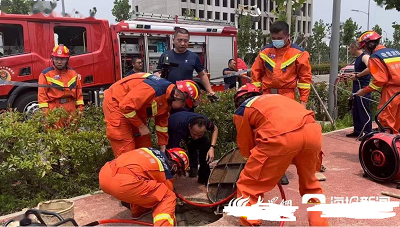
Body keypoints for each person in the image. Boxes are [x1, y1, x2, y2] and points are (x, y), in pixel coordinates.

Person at [232, 83, 329, 226]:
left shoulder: (243, 109)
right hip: (312, 132)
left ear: (238, 100)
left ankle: (249, 223)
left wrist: (257, 165)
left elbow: (246, 146)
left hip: (280, 137)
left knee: (248, 185)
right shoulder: (276, 98)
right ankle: (320, 224)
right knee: (311, 185)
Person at [102, 72, 200, 157]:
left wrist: (163, 148)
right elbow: (125, 106)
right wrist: (140, 126)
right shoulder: (153, 88)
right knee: (126, 150)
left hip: (134, 108)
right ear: (178, 95)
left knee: (145, 148)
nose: (182, 107)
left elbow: (162, 124)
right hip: (117, 102)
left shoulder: (167, 97)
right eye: (183, 104)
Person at [99, 147, 189, 226]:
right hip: (123, 184)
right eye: (178, 173)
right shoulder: (165, 169)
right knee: (167, 196)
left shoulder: (150, 150)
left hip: (105, 174)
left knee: (145, 182)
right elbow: (166, 192)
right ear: (175, 167)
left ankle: (138, 212)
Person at [251, 21, 312, 108]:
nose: (276, 41)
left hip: (287, 97)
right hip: (266, 96)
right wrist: (255, 95)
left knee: (286, 121)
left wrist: (303, 102)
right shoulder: (265, 52)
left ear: (287, 36)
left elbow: (305, 80)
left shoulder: (299, 54)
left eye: (279, 38)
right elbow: (255, 74)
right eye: (273, 38)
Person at [155, 28, 217, 109]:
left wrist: (210, 91)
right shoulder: (165, 55)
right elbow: (157, 74)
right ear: (173, 40)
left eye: (186, 41)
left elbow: (202, 75)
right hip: (168, 98)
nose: (183, 43)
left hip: (186, 99)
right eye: (179, 40)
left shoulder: (193, 57)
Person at [355, 31, 400, 134]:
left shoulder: (376, 57)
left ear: (369, 45)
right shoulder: (396, 52)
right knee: (397, 120)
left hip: (392, 92)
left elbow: (380, 80)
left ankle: (388, 147)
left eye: (364, 47)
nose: (365, 50)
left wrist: (364, 91)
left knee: (386, 119)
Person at [166, 111, 218, 185]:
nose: (196, 137)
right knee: (175, 157)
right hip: (173, 130)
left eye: (200, 134)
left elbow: (215, 129)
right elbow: (171, 152)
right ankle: (170, 180)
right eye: (195, 134)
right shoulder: (178, 127)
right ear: (189, 127)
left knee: (206, 144)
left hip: (188, 133)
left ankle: (204, 177)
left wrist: (212, 148)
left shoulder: (205, 122)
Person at [38, 44, 84, 126]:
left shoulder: (73, 74)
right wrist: (47, 114)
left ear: (67, 59)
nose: (59, 62)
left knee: (72, 135)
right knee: (55, 136)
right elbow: (42, 98)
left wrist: (80, 111)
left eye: (62, 59)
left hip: (71, 108)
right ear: (52, 59)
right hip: (54, 109)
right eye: (57, 58)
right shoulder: (45, 74)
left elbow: (79, 96)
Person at [346, 41, 372, 138]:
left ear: (354, 48)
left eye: (350, 48)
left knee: (363, 110)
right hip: (356, 86)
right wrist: (352, 75)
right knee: (356, 109)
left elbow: (370, 68)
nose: (349, 50)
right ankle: (357, 131)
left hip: (363, 87)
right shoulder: (357, 59)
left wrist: (357, 76)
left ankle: (367, 132)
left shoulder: (365, 56)